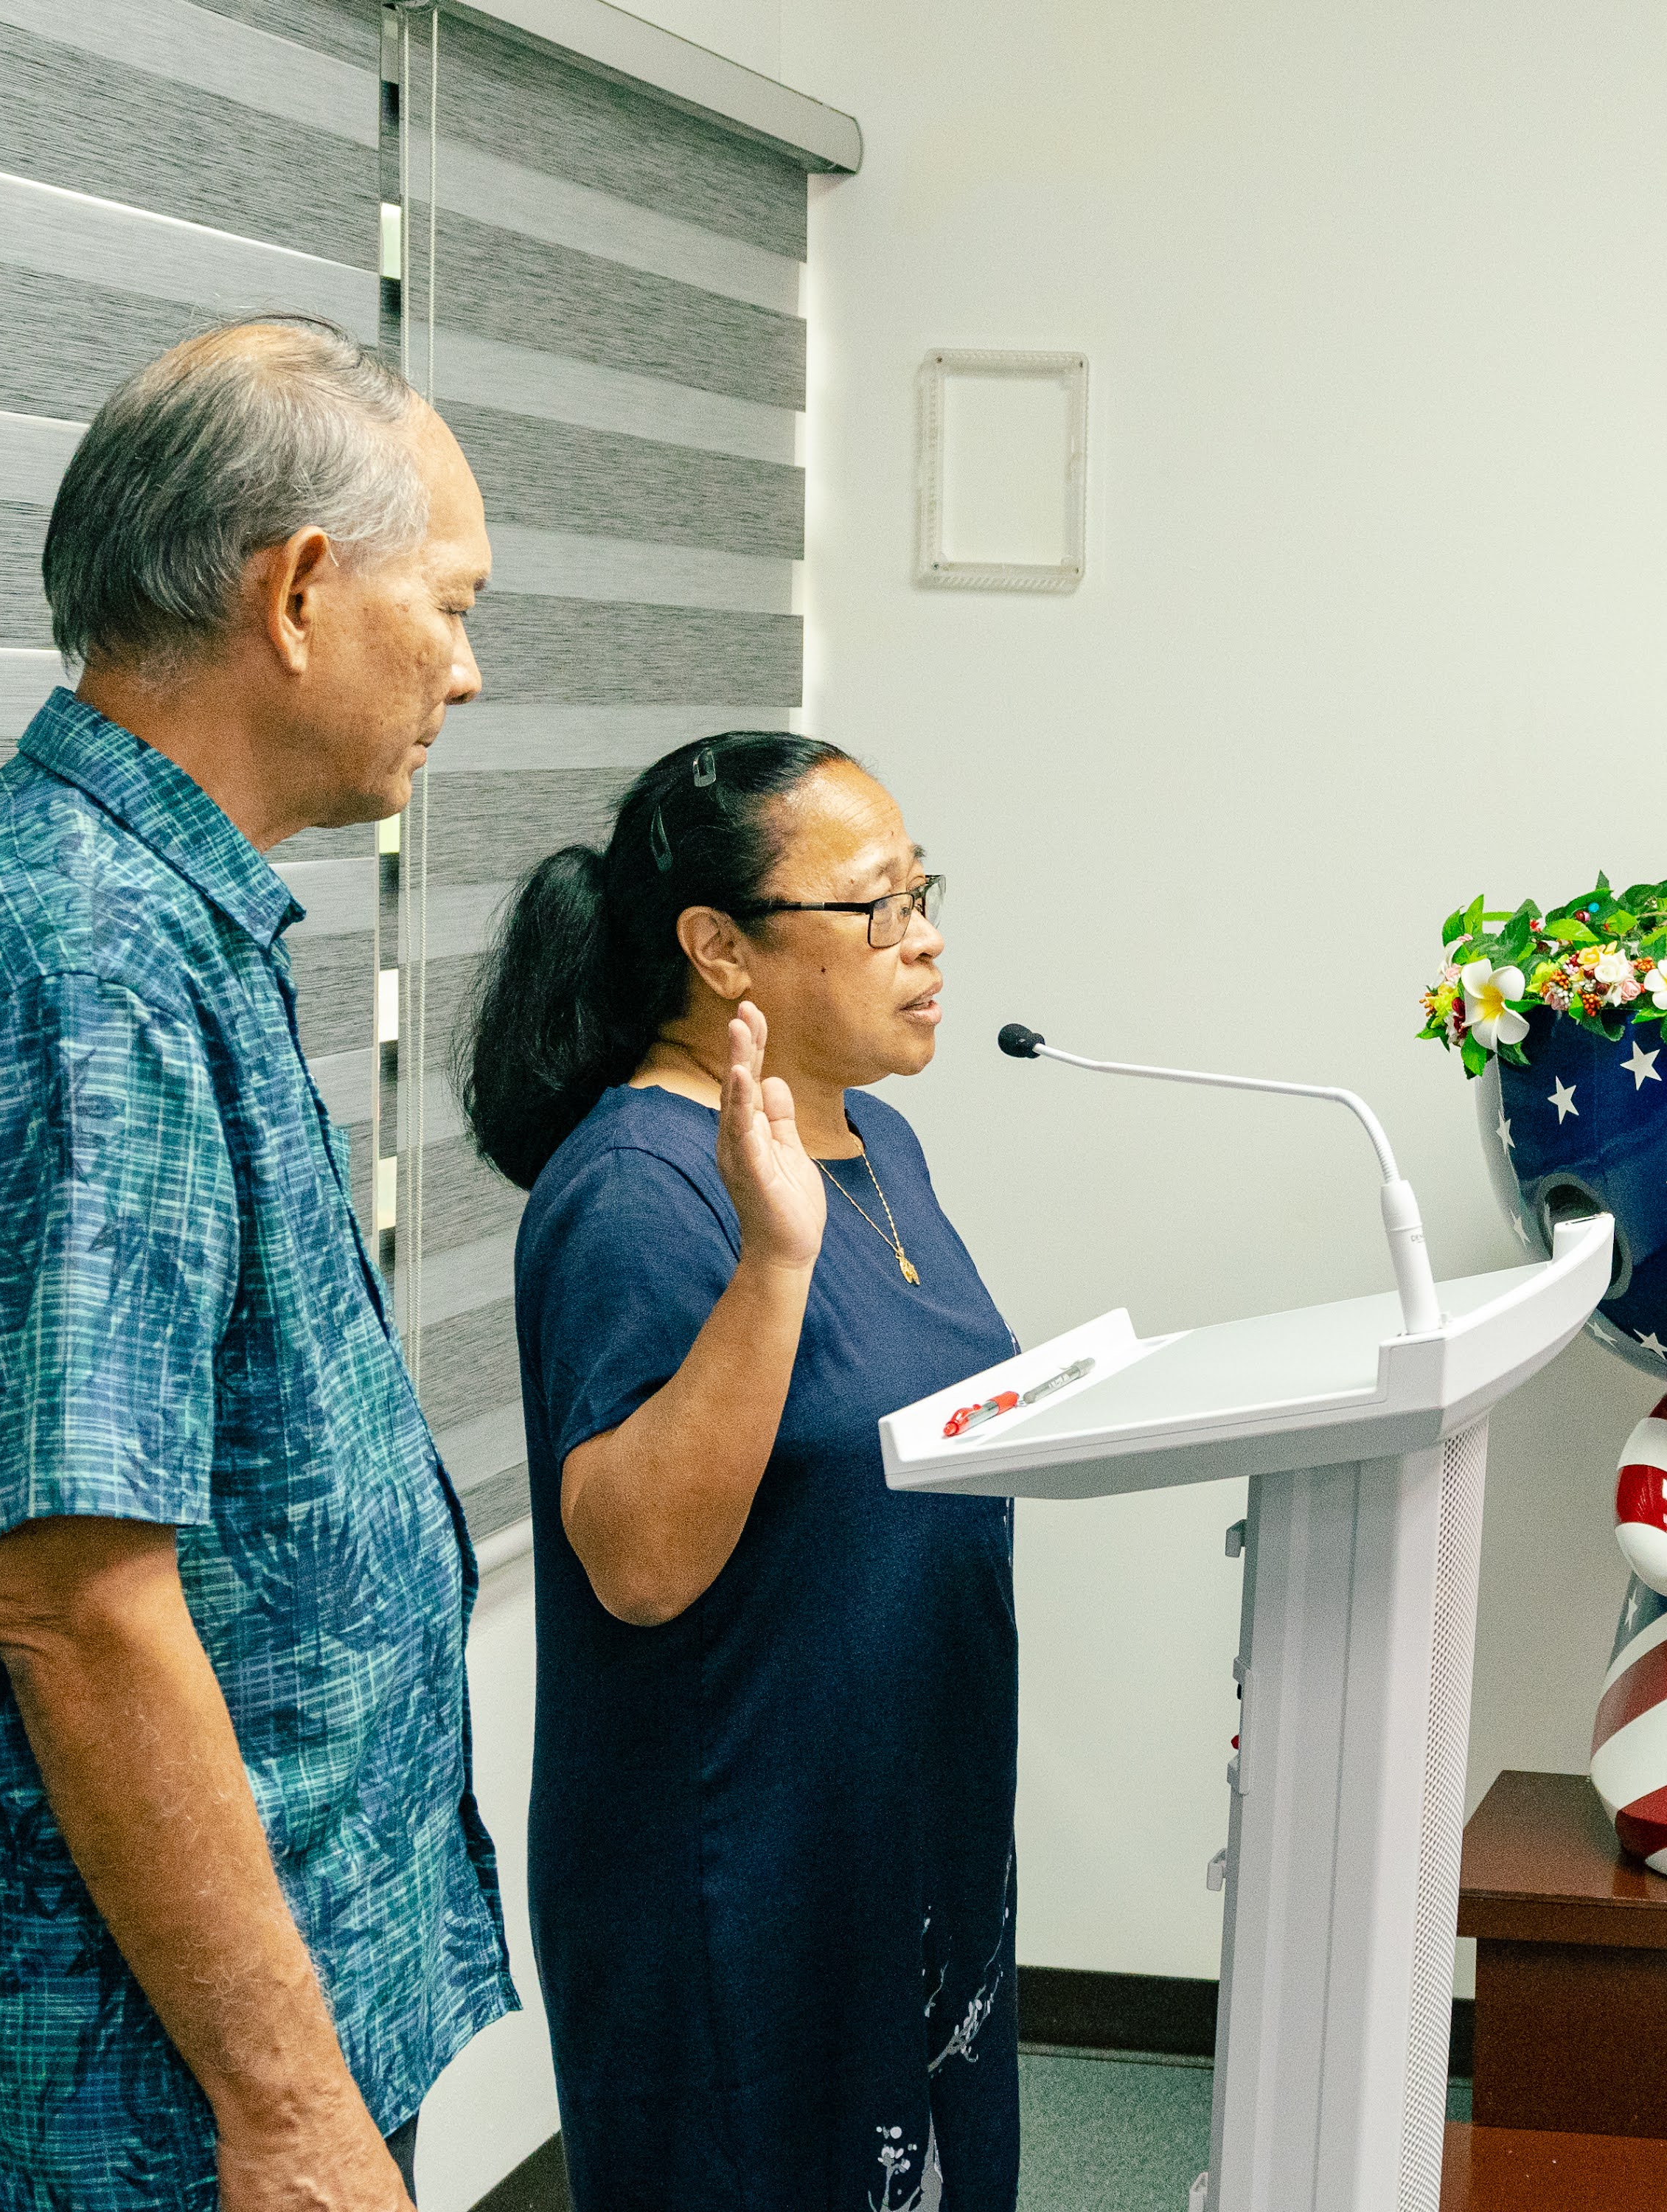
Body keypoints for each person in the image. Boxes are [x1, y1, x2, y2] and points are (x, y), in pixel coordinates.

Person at [0, 319, 508, 2211]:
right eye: (444, 606)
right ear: (296, 595)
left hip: (215, 2021)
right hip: (150, 2083)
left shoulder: (155, 921)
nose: (467, 668)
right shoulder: (80, 969)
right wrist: (284, 2107)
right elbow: (79, 1603)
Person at [462, 732, 1022, 2208]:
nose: (924, 938)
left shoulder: (876, 1144)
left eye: (922, 892)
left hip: (897, 1838)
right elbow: (638, 1566)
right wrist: (774, 1261)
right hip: (738, 1883)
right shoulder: (640, 1189)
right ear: (717, 947)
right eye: (875, 905)